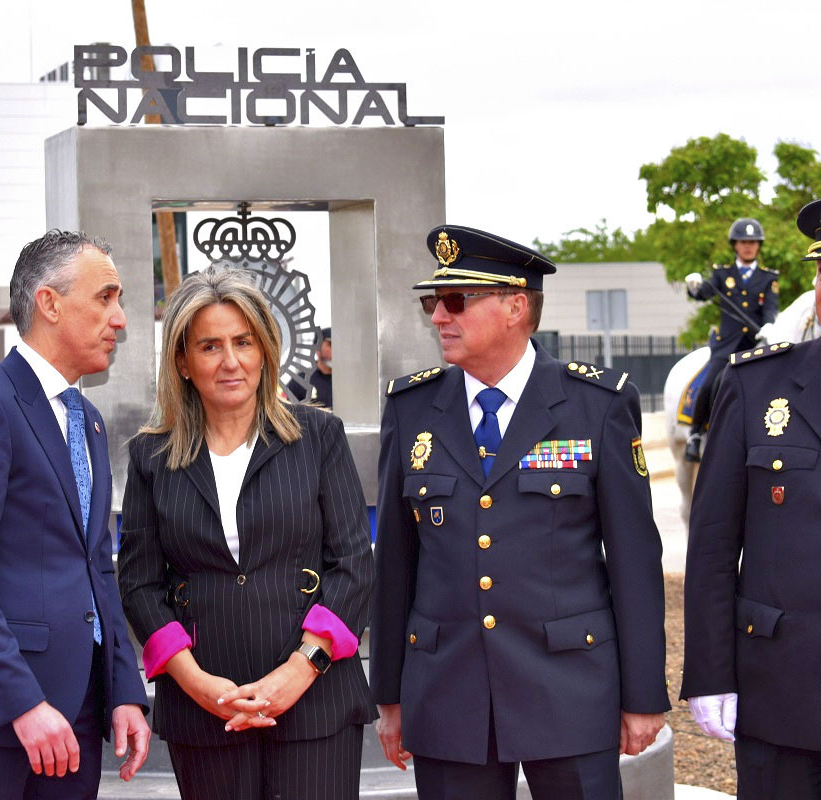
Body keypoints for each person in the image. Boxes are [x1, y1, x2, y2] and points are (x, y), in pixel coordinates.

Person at [371, 225, 669, 799]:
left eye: (456, 301)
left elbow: (635, 559)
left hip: (569, 690)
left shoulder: (595, 405)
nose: (437, 317)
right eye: (433, 302)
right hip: (447, 692)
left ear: (514, 306)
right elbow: (395, 563)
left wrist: (643, 694)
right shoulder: (412, 408)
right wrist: (389, 692)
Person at [0, 230, 150, 798]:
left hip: (78, 716)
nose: (120, 319)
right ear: (50, 302)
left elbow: (97, 569)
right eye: (106, 297)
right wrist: (23, 703)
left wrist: (124, 690)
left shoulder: (84, 419)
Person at [118, 265, 375, 800]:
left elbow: (353, 563)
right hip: (206, 710)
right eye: (209, 346)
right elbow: (140, 584)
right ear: (183, 362)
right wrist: (197, 684)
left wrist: (300, 671)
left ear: (266, 351)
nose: (231, 361)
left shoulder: (319, 436)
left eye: (244, 342)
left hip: (316, 701)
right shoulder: (151, 456)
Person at [681, 199, 821, 798]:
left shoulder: (765, 281)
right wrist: (711, 673)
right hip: (781, 690)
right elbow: (714, 545)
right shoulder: (756, 385)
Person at [682, 217, 779, 461]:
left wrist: (769, 325)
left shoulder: (769, 278)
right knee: (709, 383)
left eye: (753, 242)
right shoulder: (722, 273)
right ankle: (696, 434)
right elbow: (704, 293)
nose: (748, 246)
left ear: (759, 246)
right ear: (734, 245)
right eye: (743, 242)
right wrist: (694, 287)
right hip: (725, 345)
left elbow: (770, 307)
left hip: (753, 345)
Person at [307, 327, 333, 409]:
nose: (336, 349)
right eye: (330, 344)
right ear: (317, 348)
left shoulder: (347, 380)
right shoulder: (302, 380)